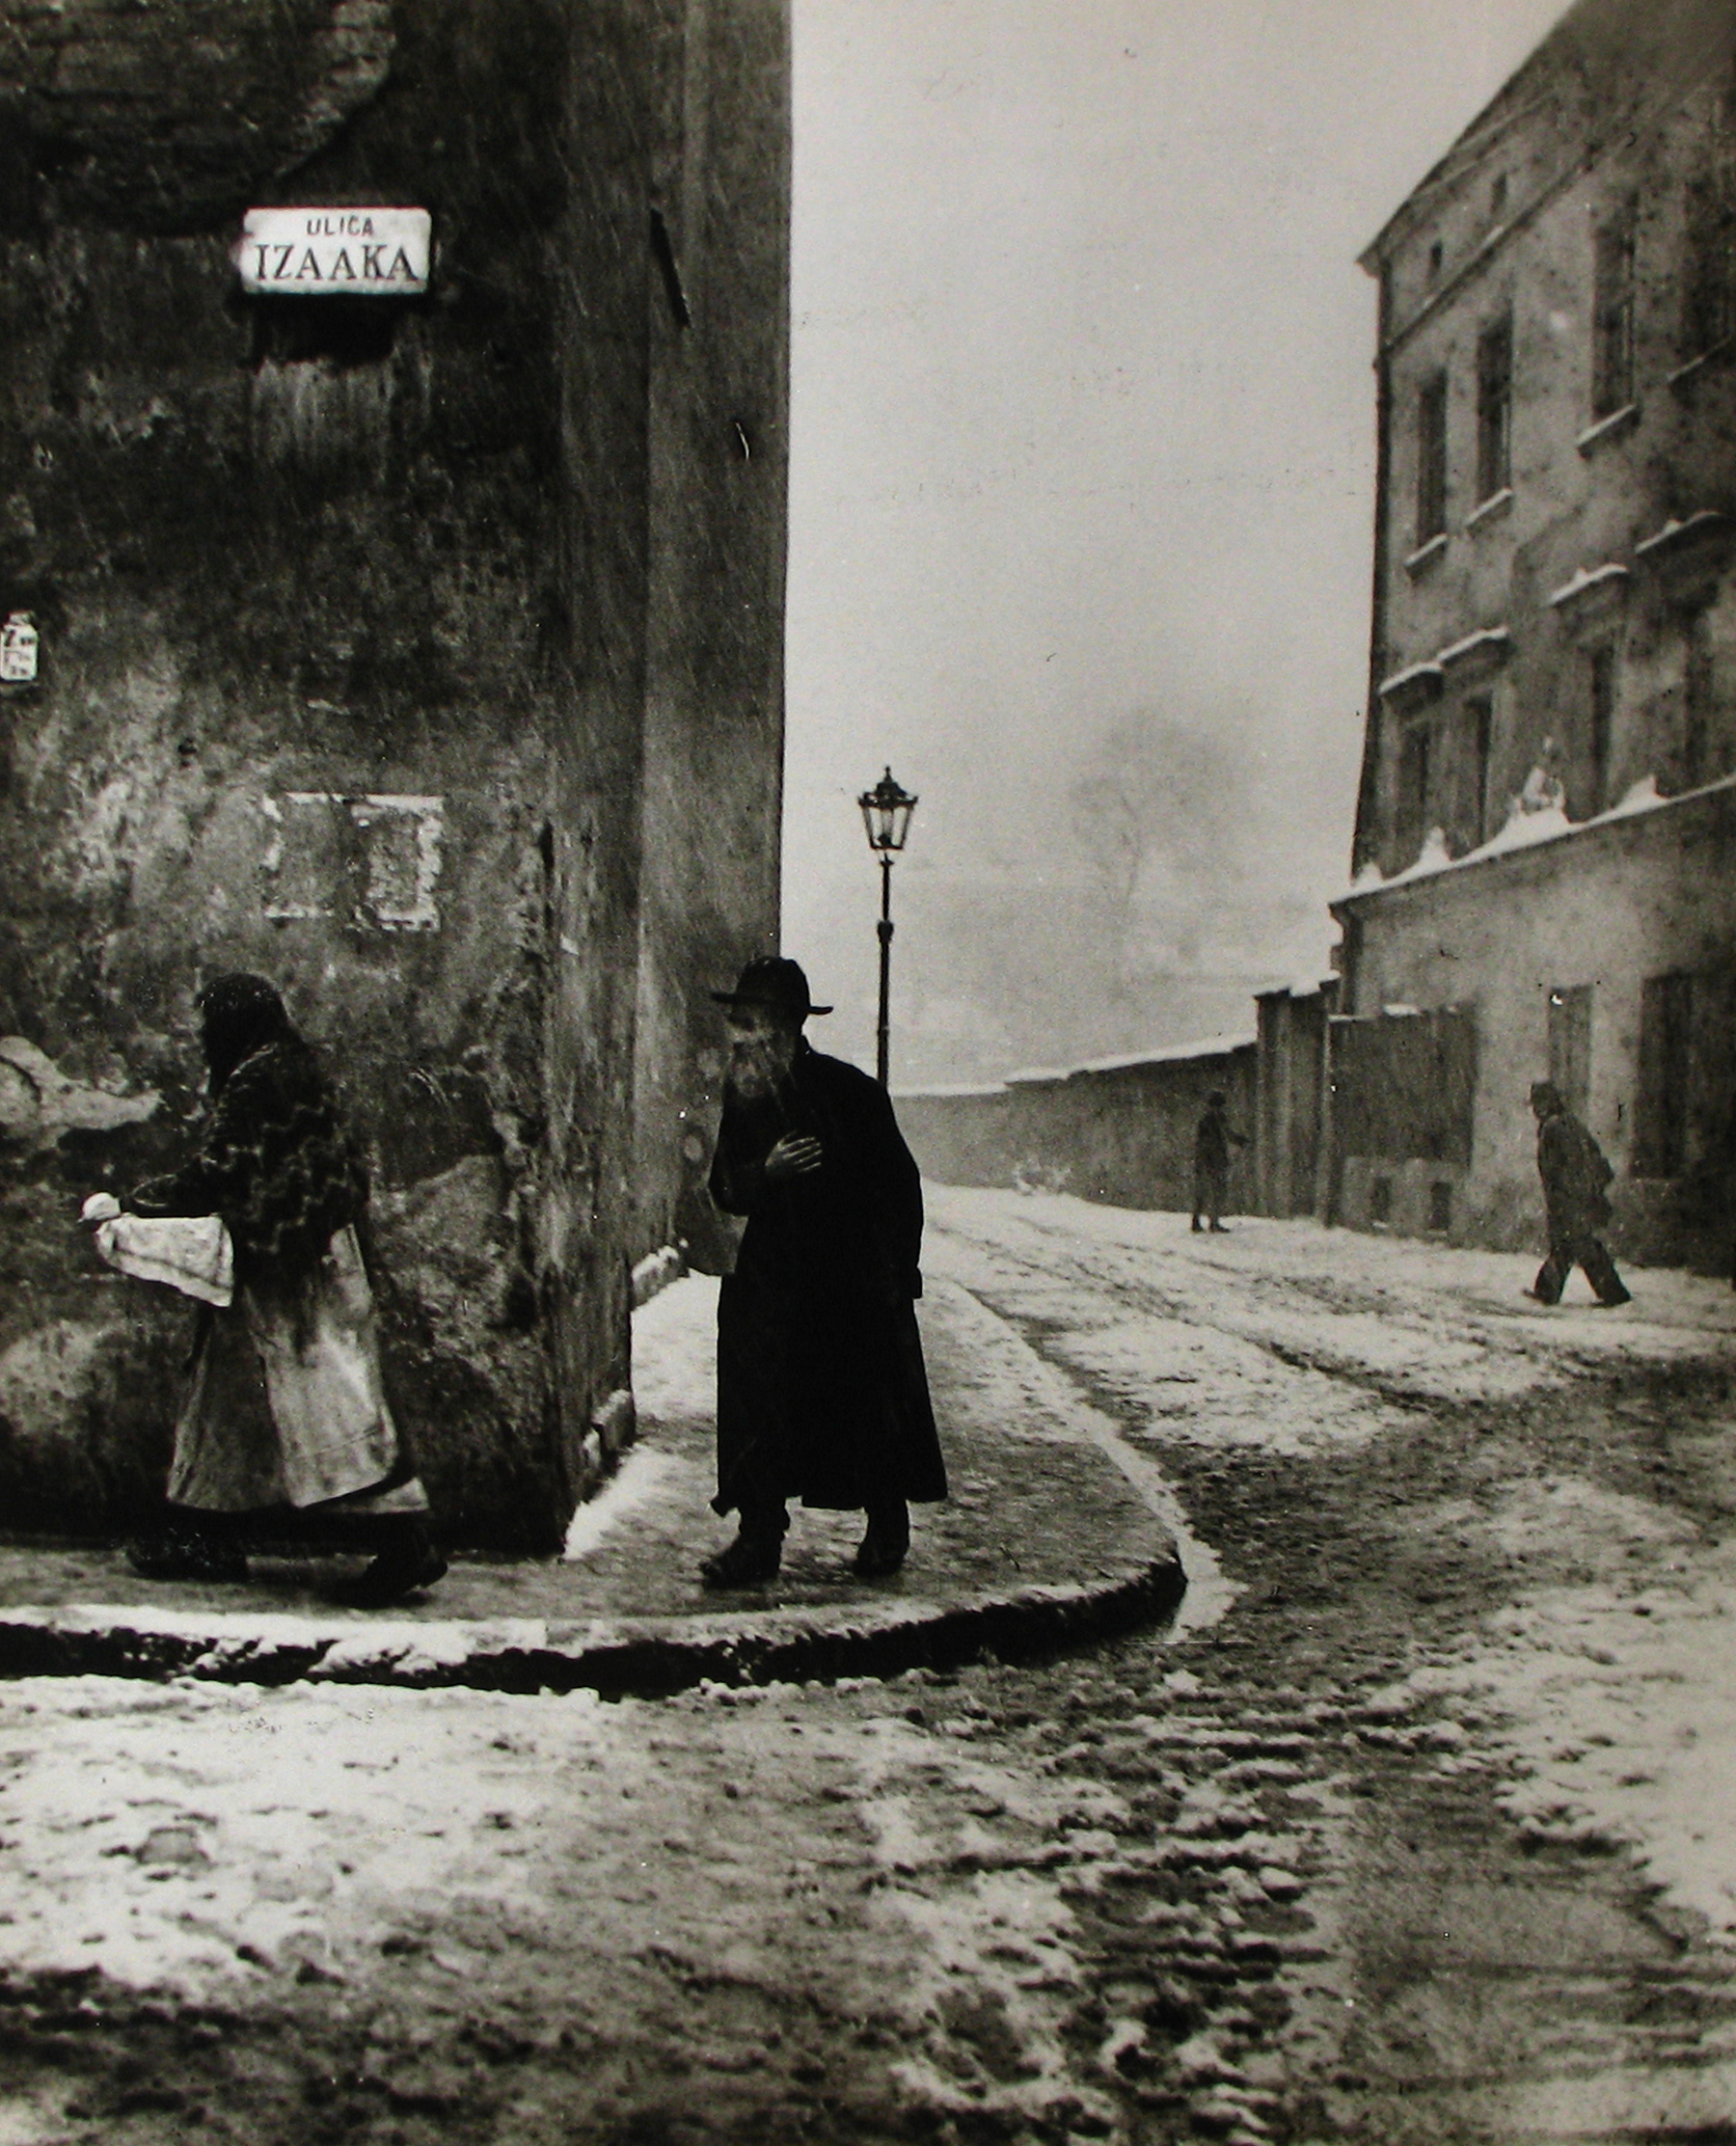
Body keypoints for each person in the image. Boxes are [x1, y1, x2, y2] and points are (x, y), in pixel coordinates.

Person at [120, 972, 446, 1602]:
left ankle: (406, 1538)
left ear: (232, 1026)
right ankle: (203, 1532)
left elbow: (219, 1172)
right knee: (230, 1394)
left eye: (210, 1027)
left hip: (290, 1270)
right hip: (314, 1252)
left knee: (330, 1406)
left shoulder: (253, 1081)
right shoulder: (299, 1066)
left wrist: (138, 1202)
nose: (204, 1040)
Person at [701, 955, 948, 1587]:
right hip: (768, 1287)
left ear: (786, 1026)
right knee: (759, 1410)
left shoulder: (851, 1093)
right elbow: (724, 1187)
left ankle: (886, 1525)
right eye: (737, 1021)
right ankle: (758, 1538)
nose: (739, 1036)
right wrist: (767, 1172)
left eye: (750, 1022)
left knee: (861, 1407)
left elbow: (900, 1185)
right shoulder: (744, 1095)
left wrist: (897, 1272)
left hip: (845, 1286)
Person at [1526, 1079, 1631, 1307]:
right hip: (1573, 1197)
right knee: (1568, 1247)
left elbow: (1568, 1166)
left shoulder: (1556, 1127)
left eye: (1540, 1103)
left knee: (1580, 1247)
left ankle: (1614, 1294)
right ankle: (1547, 1292)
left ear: (1550, 1102)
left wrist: (1569, 1196)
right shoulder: (1568, 1123)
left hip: (1571, 1199)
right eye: (1535, 1104)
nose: (1536, 1109)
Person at [1191, 1088, 1247, 1234]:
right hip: (1214, 1156)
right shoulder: (1217, 1118)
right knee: (1218, 1189)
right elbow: (1225, 1133)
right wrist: (1239, 1140)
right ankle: (1213, 1222)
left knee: (1202, 1189)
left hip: (1203, 1156)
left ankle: (1196, 1221)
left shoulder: (1204, 1118)